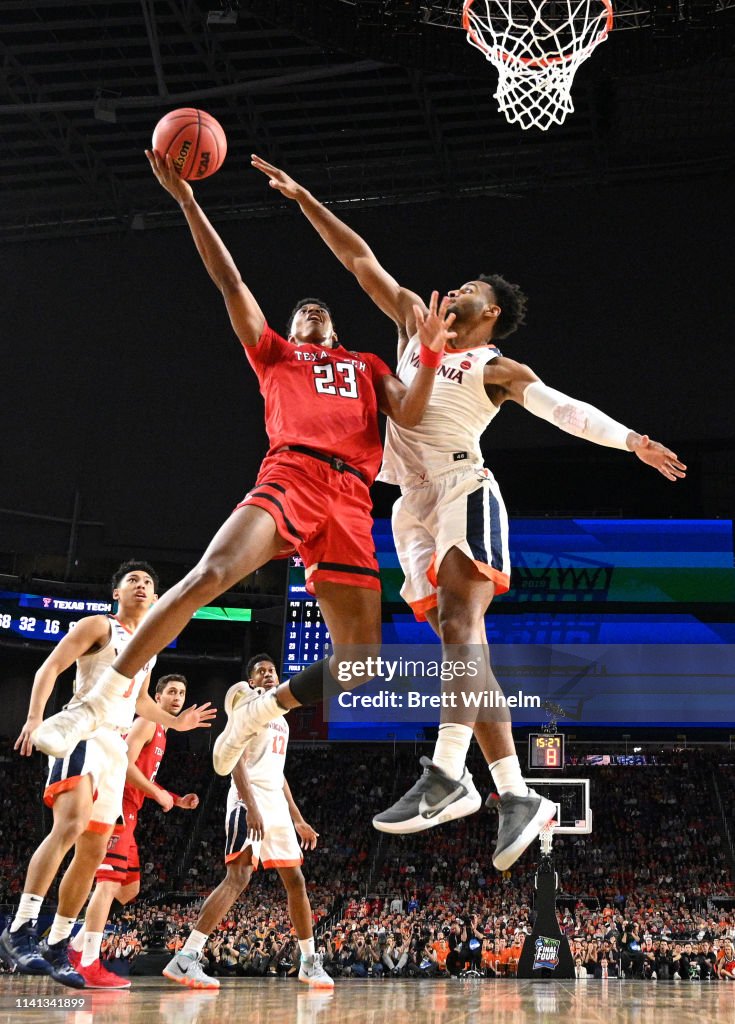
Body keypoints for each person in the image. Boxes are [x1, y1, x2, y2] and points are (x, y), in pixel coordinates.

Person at [247, 153, 687, 868]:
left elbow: (563, 410)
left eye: (472, 291)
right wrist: (304, 198)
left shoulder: (494, 367)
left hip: (462, 489)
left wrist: (629, 440)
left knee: (461, 625)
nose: (455, 291)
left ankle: (447, 774)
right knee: (462, 654)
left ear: (490, 318)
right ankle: (514, 793)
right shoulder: (414, 323)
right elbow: (359, 259)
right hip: (406, 506)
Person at [30, 151, 457, 780]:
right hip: (292, 474)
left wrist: (427, 355)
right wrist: (187, 201)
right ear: (288, 329)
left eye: (322, 311)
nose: (312, 311)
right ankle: (97, 702)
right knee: (212, 573)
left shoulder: (367, 365)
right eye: (301, 311)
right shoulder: (276, 357)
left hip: (351, 499)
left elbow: (414, 415)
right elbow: (230, 282)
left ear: (335, 332)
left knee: (363, 661)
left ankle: (260, 712)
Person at [0, 562, 214, 988]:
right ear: (116, 592)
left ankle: (58, 943)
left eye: (149, 583)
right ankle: (20, 927)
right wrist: (33, 717)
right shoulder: (98, 625)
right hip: (82, 728)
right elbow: (50, 667)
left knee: (94, 852)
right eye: (133, 580)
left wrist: (177, 724)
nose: (141, 586)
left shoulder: (149, 648)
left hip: (115, 746)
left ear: (156, 599)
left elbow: (141, 705)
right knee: (72, 824)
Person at [163, 654, 332, 990]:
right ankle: (186, 957)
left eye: (272, 670)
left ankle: (309, 961)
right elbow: (235, 756)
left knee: (296, 880)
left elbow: (279, 773)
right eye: (261, 671)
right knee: (238, 876)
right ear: (251, 681)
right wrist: (251, 807)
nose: (268, 674)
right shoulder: (246, 707)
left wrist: (298, 819)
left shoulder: (280, 716)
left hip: (275, 802)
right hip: (247, 798)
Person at [68, 674, 200, 988]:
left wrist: (175, 799)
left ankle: (75, 945)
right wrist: (158, 795)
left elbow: (142, 775)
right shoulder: (146, 723)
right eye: (171, 691)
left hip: (131, 811)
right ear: (157, 696)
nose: (177, 697)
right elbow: (123, 763)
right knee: (109, 883)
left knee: (130, 889)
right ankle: (87, 960)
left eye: (182, 692)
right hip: (114, 807)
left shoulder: (163, 733)